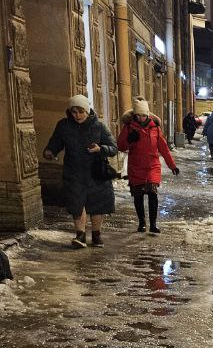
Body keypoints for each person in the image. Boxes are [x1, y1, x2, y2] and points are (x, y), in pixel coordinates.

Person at [43, 93, 118, 248]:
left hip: (95, 172)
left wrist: (100, 148)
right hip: (74, 172)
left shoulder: (99, 126)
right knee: (76, 203)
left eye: (80, 111)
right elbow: (55, 142)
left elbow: (113, 148)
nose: (77, 115)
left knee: (97, 204)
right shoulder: (63, 126)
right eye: (74, 112)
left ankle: (96, 235)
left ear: (87, 110)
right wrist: (50, 151)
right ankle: (80, 235)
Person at [118, 97, 179, 235]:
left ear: (148, 115)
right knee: (138, 196)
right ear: (134, 115)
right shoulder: (128, 127)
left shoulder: (155, 128)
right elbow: (120, 146)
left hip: (152, 166)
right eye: (138, 115)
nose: (141, 118)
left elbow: (164, 148)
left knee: (152, 193)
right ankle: (141, 223)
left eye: (144, 115)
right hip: (136, 166)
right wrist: (129, 140)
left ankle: (153, 224)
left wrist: (172, 166)